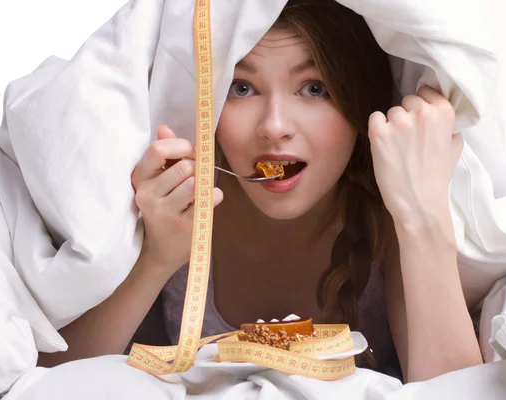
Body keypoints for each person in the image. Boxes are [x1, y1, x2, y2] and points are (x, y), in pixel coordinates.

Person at [37, 0, 482, 383]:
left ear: (359, 104)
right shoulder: (176, 207)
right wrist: (157, 257)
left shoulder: (389, 219)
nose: (273, 128)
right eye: (242, 87)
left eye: (314, 88)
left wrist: (421, 215)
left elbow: (458, 391)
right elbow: (45, 384)